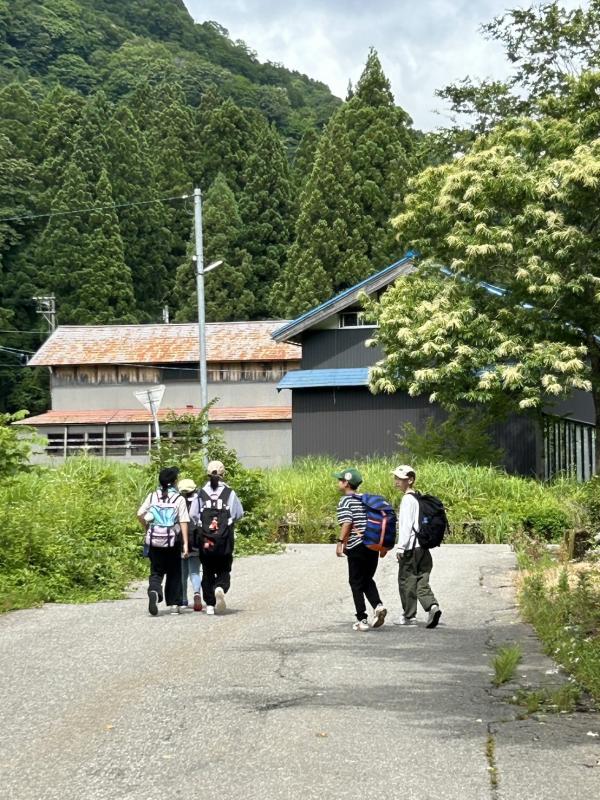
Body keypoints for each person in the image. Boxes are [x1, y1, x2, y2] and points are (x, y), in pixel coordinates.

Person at [335, 467, 387, 632]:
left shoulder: (345, 501)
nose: (338, 482)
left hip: (356, 545)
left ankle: (361, 619)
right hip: (372, 544)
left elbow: (347, 522)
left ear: (346, 483)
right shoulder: (366, 499)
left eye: (340, 480)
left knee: (355, 582)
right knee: (366, 579)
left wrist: (340, 542)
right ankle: (378, 605)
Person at [190, 460, 244, 616]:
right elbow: (239, 514)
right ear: (223, 474)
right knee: (224, 568)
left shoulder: (201, 493)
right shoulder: (229, 493)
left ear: (207, 474)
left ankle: (209, 605)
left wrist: (203, 526)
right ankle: (220, 587)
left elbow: (193, 514)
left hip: (206, 540)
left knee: (207, 571)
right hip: (224, 539)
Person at [392, 465, 442, 628]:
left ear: (410, 480)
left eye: (401, 479)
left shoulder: (407, 500)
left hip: (411, 548)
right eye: (396, 478)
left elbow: (406, 526)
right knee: (422, 580)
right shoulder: (418, 498)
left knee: (406, 582)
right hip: (423, 548)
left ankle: (409, 616)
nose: (397, 481)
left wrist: (401, 547)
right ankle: (432, 606)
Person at [137, 466, 189, 616]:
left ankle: (154, 590)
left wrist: (147, 528)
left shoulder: (152, 496)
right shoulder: (179, 499)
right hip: (172, 541)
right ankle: (174, 604)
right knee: (174, 571)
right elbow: (183, 521)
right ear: (175, 482)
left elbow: (140, 514)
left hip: (154, 540)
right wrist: (185, 543)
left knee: (156, 570)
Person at [177, 477, 203, 612]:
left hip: (181, 540)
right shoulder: (199, 500)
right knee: (194, 571)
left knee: (182, 574)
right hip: (196, 540)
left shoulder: (178, 501)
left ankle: (183, 600)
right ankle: (197, 593)